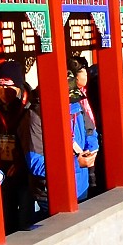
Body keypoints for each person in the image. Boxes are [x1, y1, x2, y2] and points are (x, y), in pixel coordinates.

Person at [30, 57, 100, 204]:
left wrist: (91, 150)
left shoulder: (77, 106)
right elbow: (36, 162)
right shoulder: (36, 116)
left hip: (81, 185)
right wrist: (75, 163)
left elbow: (90, 131)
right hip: (53, 191)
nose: (69, 104)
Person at [0, 61, 35, 232]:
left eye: (9, 88)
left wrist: (21, 162)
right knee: (6, 219)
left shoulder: (30, 105)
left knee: (26, 219)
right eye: (0, 88)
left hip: (26, 168)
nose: (4, 93)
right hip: (2, 169)